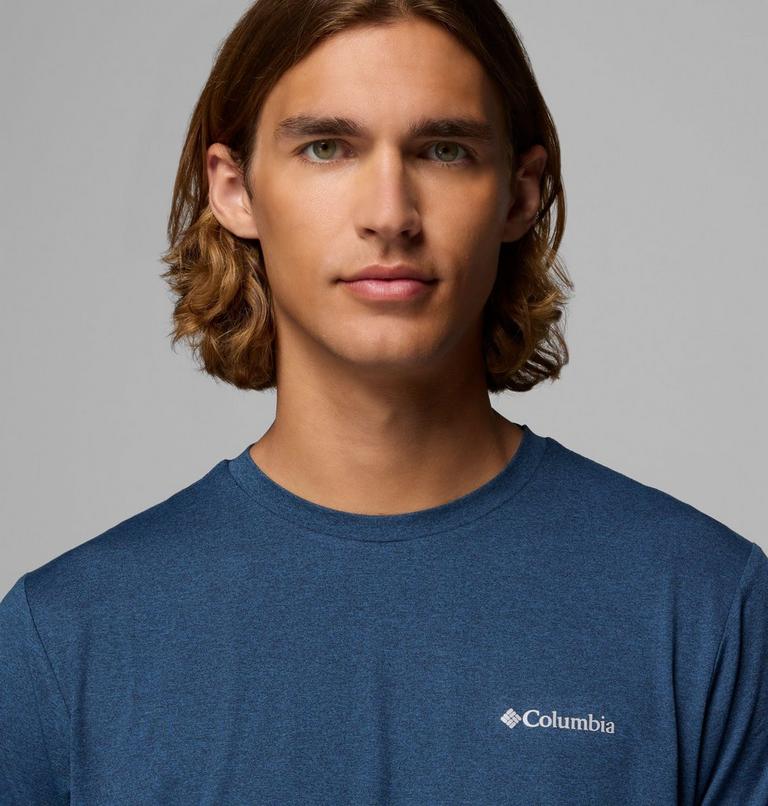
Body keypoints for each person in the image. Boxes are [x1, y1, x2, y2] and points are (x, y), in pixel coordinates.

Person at [1, 1, 766, 803]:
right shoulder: (63, 638)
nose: (390, 216)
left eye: (444, 150)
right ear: (234, 190)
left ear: (519, 193)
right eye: (326, 148)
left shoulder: (705, 606)